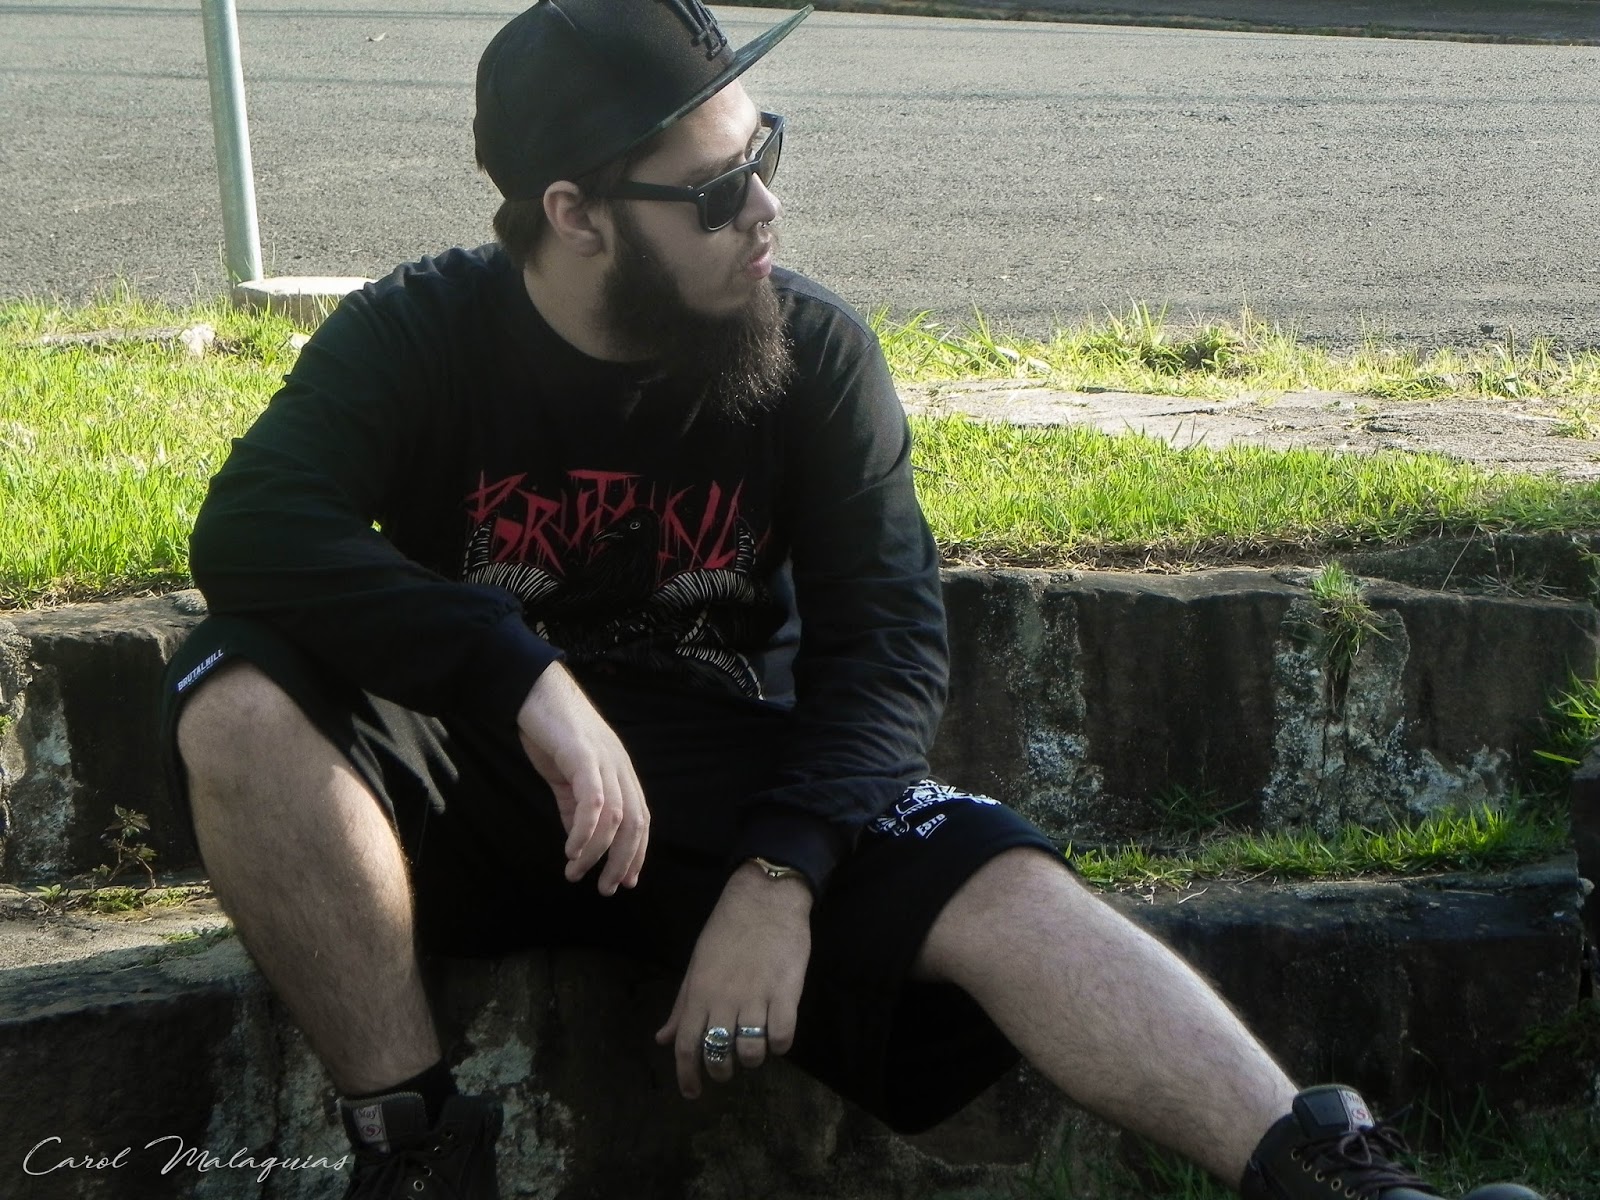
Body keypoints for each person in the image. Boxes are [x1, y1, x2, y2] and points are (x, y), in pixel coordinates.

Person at [161, 2, 1549, 1198]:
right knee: (236, 701)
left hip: (725, 771)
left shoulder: (815, 352)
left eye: (764, 152)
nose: (765, 209)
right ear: (575, 214)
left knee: (1004, 878)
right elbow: (253, 527)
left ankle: (1332, 1175)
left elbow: (888, 647)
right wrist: (520, 671)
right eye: (715, 191)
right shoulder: (422, 330)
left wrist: (781, 878)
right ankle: (413, 1152)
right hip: (466, 767)